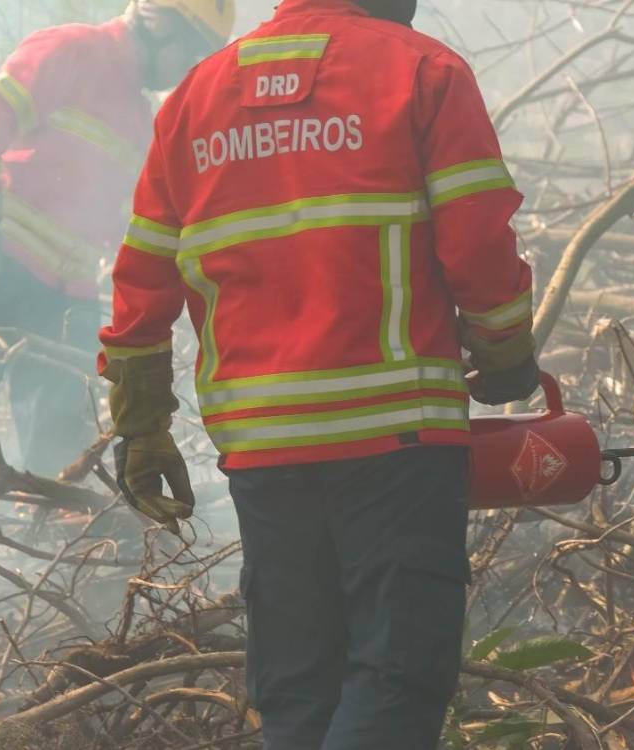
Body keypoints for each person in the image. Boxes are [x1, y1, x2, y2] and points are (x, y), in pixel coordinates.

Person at [98, 0, 538, 746]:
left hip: (263, 447)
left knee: (299, 691)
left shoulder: (197, 95)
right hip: (395, 438)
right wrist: (504, 352)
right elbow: (478, 244)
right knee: (395, 680)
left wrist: (140, 425)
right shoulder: (422, 71)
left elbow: (142, 273)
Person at [0, 1, 236, 502]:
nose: (185, 69)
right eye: (189, 51)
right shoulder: (71, 49)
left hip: (66, 298)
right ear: (157, 20)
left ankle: (47, 541)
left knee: (59, 444)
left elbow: (131, 221)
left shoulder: (139, 119)